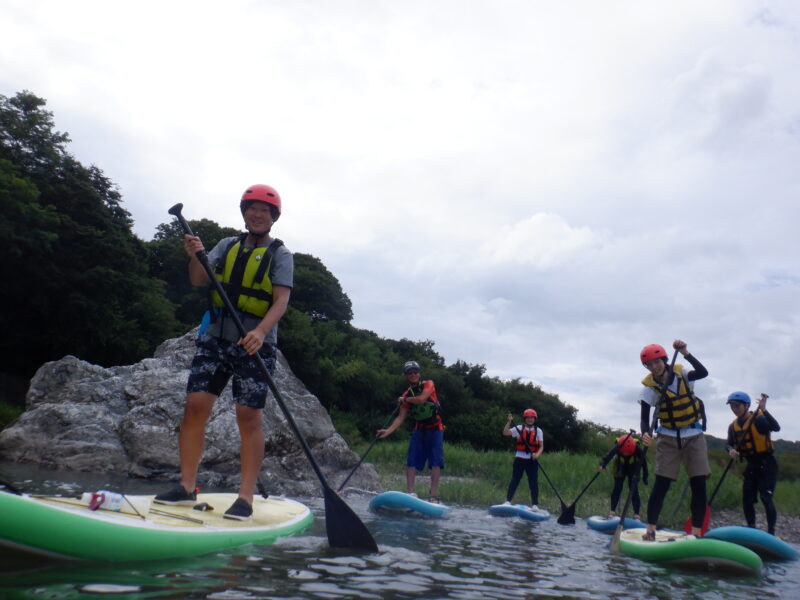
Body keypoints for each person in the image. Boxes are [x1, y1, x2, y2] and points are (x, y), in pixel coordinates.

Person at [155, 184, 293, 520]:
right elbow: (199, 280)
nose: (258, 215)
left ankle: (244, 497)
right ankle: (187, 485)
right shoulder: (225, 246)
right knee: (195, 408)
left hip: (253, 344)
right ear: (244, 212)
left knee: (248, 417)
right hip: (215, 338)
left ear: (273, 218)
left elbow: (281, 300)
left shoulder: (281, 254)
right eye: (252, 208)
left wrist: (261, 332)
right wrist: (194, 256)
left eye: (265, 210)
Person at [639, 339, 709, 539]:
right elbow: (645, 418)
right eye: (649, 364)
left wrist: (686, 353)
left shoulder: (683, 374)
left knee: (698, 483)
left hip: (694, 435)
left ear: (664, 360)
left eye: (657, 362)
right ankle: (650, 530)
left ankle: (696, 533)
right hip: (668, 437)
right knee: (662, 483)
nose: (654, 367)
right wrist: (645, 433)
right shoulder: (649, 388)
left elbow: (704, 373)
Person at [376, 361, 444, 503]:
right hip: (419, 429)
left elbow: (422, 399)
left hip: (435, 428)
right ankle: (410, 493)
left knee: (436, 461)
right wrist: (387, 431)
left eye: (415, 372)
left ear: (419, 374)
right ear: (406, 376)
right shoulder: (406, 395)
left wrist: (405, 399)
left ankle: (432, 496)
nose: (413, 374)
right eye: (409, 372)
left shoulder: (428, 384)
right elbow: (400, 418)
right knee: (411, 460)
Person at [725, 391, 781, 535]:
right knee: (747, 498)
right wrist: (731, 450)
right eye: (732, 406)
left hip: (767, 463)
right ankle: (751, 529)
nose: (734, 409)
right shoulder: (733, 427)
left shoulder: (758, 419)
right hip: (752, 464)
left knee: (765, 497)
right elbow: (728, 444)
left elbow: (776, 427)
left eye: (737, 406)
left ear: (746, 406)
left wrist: (764, 410)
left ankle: (771, 532)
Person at [598, 432, 648, 521]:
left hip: (633, 467)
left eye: (627, 453)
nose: (625, 454)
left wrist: (645, 478)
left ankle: (637, 515)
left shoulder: (638, 449)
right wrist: (602, 465)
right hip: (620, 465)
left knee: (634, 489)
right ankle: (612, 512)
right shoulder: (618, 446)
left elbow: (644, 464)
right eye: (624, 453)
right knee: (617, 487)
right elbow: (607, 456)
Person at [501, 409, 543, 510]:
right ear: (525, 419)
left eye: (532, 418)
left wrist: (537, 454)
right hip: (520, 458)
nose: (530, 419)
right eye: (528, 418)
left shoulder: (538, 431)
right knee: (515, 480)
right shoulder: (519, 428)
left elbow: (541, 446)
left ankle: (534, 505)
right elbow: (505, 433)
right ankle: (507, 501)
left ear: (534, 419)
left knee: (533, 482)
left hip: (532, 460)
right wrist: (509, 422)